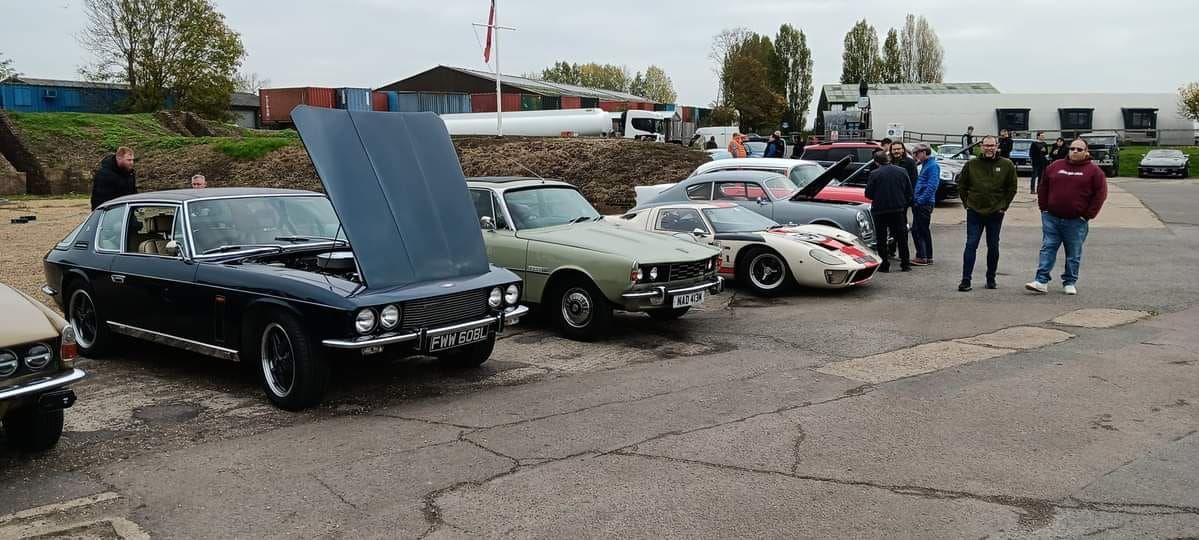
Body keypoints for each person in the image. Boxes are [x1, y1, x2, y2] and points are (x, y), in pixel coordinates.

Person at [1025, 139, 1107, 296]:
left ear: (1086, 152)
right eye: (1072, 148)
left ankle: (1069, 282)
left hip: (1076, 221)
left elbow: (1100, 195)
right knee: (1048, 248)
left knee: (1073, 253)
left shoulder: (1094, 172)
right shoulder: (1055, 166)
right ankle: (1041, 281)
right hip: (1052, 218)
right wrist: (1044, 208)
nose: (1075, 151)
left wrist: (1087, 215)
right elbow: (1043, 186)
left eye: (1079, 149)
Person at [957, 135, 1018, 291]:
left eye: (992, 145)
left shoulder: (1007, 165)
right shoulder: (972, 164)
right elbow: (962, 186)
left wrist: (1004, 206)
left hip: (995, 212)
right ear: (981, 147)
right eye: (986, 145)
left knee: (993, 246)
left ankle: (991, 278)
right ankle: (966, 280)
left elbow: (1011, 188)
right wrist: (967, 204)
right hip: (974, 212)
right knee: (971, 244)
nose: (989, 148)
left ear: (997, 146)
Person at [864, 150, 913, 273]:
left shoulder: (874, 174)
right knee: (901, 237)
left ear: (876, 162)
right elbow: (909, 191)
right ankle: (905, 264)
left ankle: (884, 265)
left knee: (881, 238)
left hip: (880, 210)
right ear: (888, 159)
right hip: (898, 209)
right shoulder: (902, 171)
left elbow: (868, 194)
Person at [910, 143, 940, 266]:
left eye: (917, 154)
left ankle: (922, 256)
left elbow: (932, 186)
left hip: (924, 203)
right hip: (923, 202)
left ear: (924, 152)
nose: (915, 156)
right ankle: (927, 255)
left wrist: (920, 200)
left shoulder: (932, 166)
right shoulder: (926, 165)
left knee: (918, 230)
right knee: (922, 229)